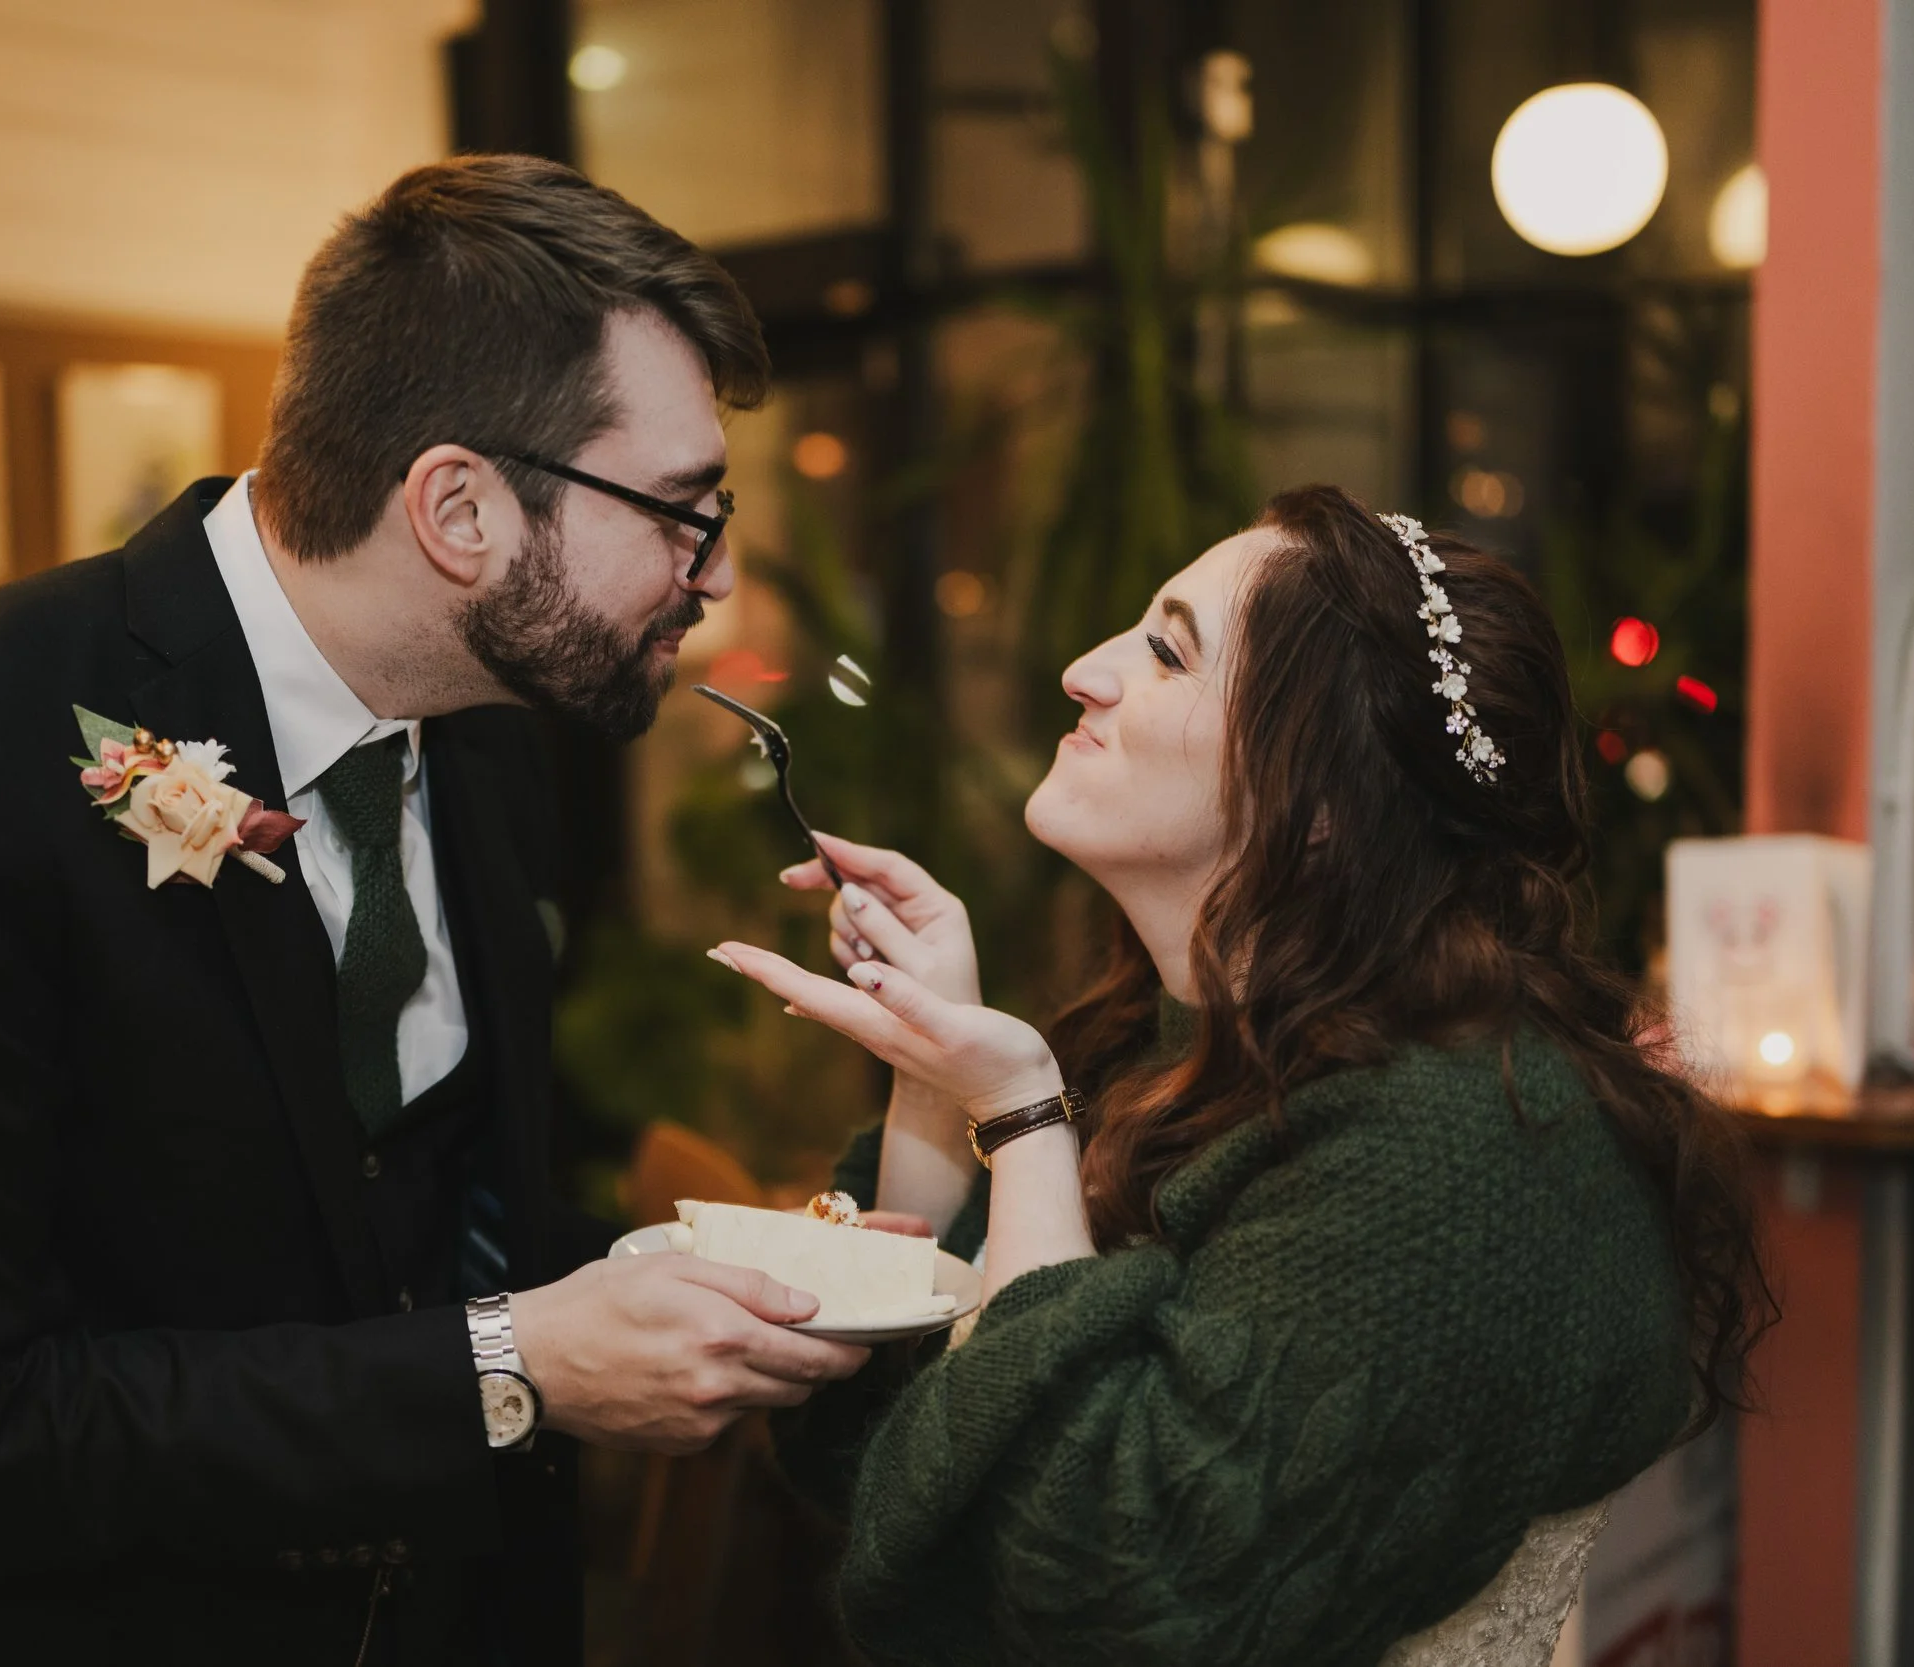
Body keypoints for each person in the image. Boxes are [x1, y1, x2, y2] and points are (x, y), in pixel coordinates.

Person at [0, 155, 868, 1667]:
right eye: (677, 509)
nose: (711, 574)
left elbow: (430, 1218)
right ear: (458, 507)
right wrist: (507, 1368)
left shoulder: (498, 746)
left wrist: (734, 1273)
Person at [710, 485, 1770, 1666]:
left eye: (1166, 651)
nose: (1083, 669)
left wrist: (1017, 1115)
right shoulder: (1167, 1037)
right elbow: (880, 1456)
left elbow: (1107, 1600)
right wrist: (933, 1069)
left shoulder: (1461, 1149)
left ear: (1317, 801)